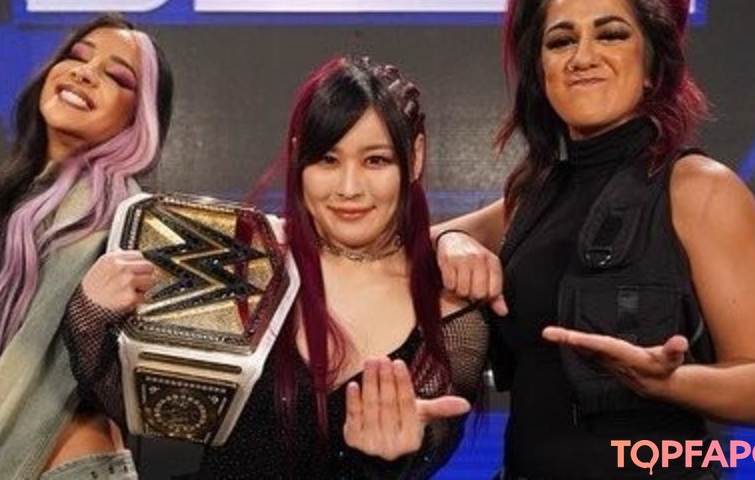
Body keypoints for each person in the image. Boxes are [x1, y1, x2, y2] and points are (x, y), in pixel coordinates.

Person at [431, 0, 755, 479]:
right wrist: (452, 241)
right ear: (542, 72)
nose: (583, 57)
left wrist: (667, 381)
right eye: (561, 41)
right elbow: (409, 244)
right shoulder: (533, 197)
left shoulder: (700, 189)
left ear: (650, 66)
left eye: (611, 34)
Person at [66, 56, 488, 478]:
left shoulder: (450, 311)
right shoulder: (247, 261)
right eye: (327, 160)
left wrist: (396, 452)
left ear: (415, 157)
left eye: (375, 160)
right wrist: (89, 313)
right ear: (298, 157)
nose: (349, 187)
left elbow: (433, 440)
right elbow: (153, 410)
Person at [0, 13, 175, 479]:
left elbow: (150, 401)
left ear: (137, 118)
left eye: (117, 76)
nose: (85, 73)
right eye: (77, 56)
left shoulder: (134, 228)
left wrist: (89, 315)